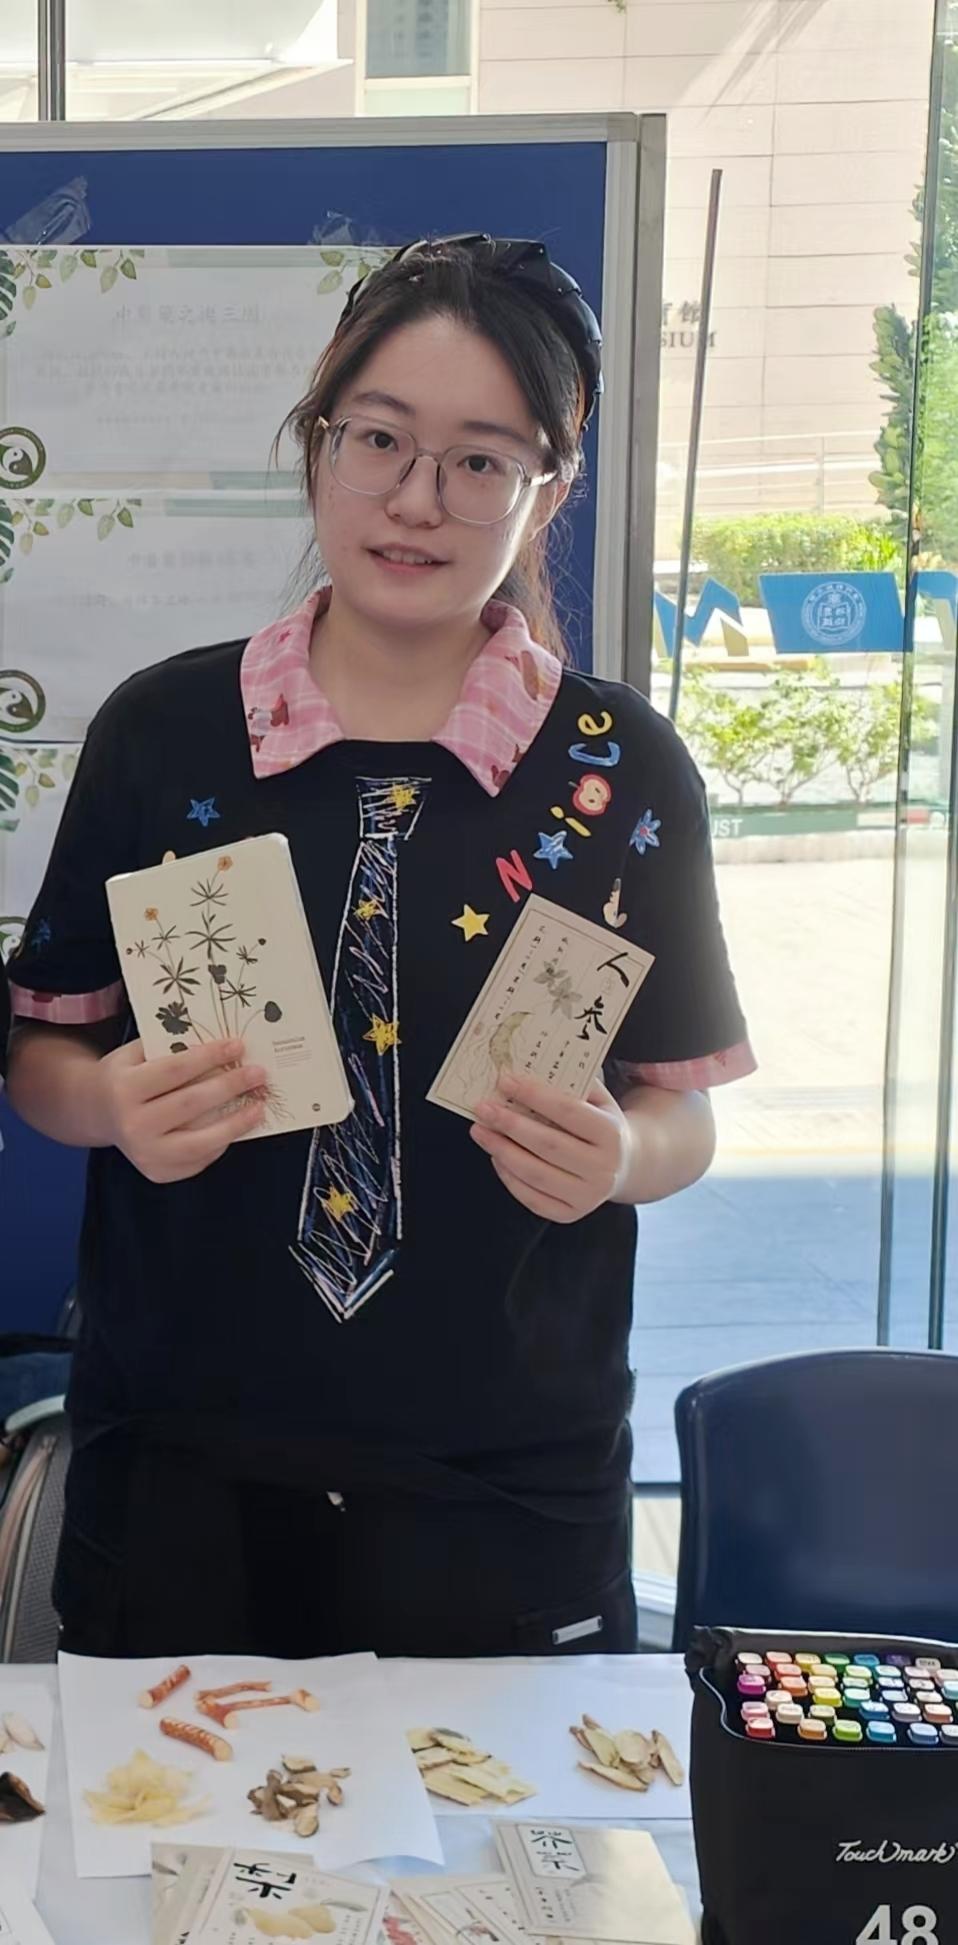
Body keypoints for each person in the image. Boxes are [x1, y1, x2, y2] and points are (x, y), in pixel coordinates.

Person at [5, 235, 754, 1659]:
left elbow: (682, 1112)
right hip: (185, 1471)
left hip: (505, 1482)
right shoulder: (163, 735)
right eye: (380, 440)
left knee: (500, 1820)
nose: (417, 500)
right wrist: (106, 1104)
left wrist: (619, 1156)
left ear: (548, 488)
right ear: (319, 445)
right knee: (172, 1807)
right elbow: (44, 1044)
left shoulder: (619, 770)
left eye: (480, 461)